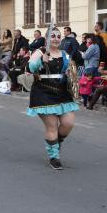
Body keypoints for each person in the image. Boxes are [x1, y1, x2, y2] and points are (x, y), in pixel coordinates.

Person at [27, 28, 79, 170]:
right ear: (46, 38)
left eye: (58, 36)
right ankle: (54, 157)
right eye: (52, 36)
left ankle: (57, 142)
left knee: (68, 123)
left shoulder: (65, 54)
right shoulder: (40, 51)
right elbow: (30, 68)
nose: (55, 38)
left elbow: (71, 70)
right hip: (43, 92)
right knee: (52, 126)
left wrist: (70, 71)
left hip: (62, 92)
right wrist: (41, 61)